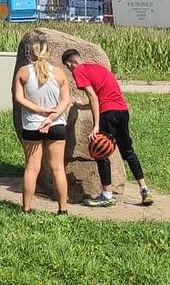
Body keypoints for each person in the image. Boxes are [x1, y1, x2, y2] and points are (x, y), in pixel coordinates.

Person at [61, 49, 153, 207]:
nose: (70, 70)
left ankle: (107, 195)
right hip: (122, 111)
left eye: (68, 67)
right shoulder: (99, 69)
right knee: (128, 151)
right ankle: (144, 189)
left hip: (108, 113)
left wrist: (96, 125)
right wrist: (82, 106)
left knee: (100, 151)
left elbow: (93, 97)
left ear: (71, 64)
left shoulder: (79, 70)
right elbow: (103, 96)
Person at [13, 34, 72, 215]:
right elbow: (66, 100)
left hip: (32, 125)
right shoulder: (59, 73)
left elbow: (19, 98)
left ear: (30, 53)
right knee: (58, 167)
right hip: (56, 125)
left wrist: (39, 110)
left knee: (32, 168)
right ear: (48, 53)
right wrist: (51, 117)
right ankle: (63, 209)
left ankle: (26, 208)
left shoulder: (23, 72)